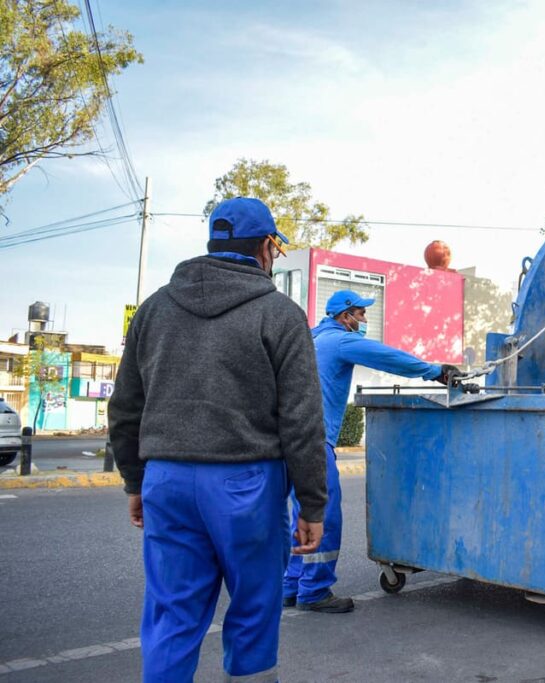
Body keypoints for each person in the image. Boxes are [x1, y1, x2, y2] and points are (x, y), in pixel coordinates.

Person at [109, 197, 329, 682]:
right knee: (253, 610)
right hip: (245, 484)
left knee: (172, 614)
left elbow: (125, 406)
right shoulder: (280, 313)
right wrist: (312, 505)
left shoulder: (154, 309)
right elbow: (301, 420)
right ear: (267, 247)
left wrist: (134, 480)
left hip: (165, 479)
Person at [283, 289, 461, 612]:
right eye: (361, 314)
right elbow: (386, 356)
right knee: (324, 513)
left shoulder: (311, 337)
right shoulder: (340, 340)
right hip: (312, 439)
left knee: (303, 514)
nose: (364, 320)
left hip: (288, 438)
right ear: (345, 316)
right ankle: (314, 591)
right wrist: (435, 371)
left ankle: (291, 585)